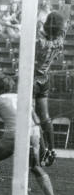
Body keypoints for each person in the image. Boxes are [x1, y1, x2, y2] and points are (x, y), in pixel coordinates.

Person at [0, 76, 58, 195]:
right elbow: (37, 121)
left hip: (13, 134)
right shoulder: (22, 97)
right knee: (36, 167)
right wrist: (43, 146)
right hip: (33, 134)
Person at [34, 11, 68, 166]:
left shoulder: (41, 41)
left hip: (33, 78)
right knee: (45, 117)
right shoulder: (59, 41)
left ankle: (42, 150)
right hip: (44, 78)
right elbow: (64, 24)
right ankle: (52, 149)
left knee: (32, 117)